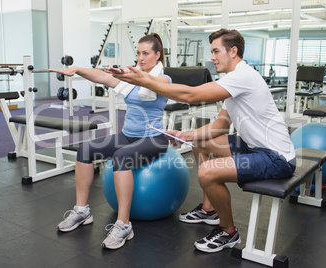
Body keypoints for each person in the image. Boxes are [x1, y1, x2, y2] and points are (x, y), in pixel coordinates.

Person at [107, 28, 296, 253]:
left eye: (216, 51)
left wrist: (145, 81)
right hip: (253, 147)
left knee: (207, 172)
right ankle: (209, 210)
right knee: (198, 144)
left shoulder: (243, 76)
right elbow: (220, 126)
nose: (212, 57)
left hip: (276, 157)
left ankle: (228, 232)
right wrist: (188, 136)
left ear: (233, 51)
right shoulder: (234, 80)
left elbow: (190, 95)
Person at [50, 33, 171, 250]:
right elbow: (101, 77)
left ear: (157, 55)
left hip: (154, 138)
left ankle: (124, 225)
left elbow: (157, 82)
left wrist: (131, 75)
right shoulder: (132, 78)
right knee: (86, 149)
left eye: (146, 53)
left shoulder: (163, 79)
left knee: (121, 156)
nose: (141, 58)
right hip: (128, 135)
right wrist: (77, 69)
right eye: (138, 53)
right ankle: (82, 210)